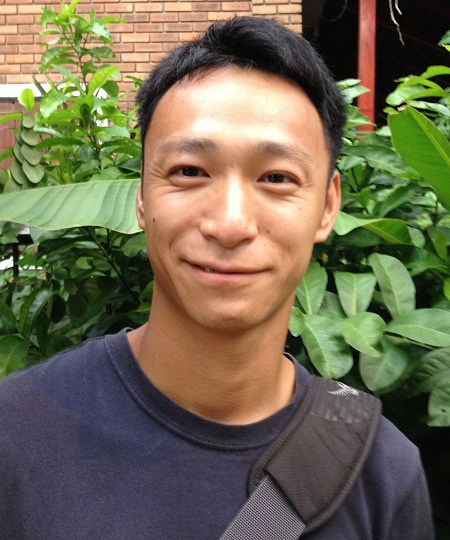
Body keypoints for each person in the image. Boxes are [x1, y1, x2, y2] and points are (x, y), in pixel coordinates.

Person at [0, 16, 433, 539]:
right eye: (189, 171)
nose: (229, 224)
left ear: (327, 206)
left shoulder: (382, 472)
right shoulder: (15, 433)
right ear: (142, 197)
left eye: (277, 177)